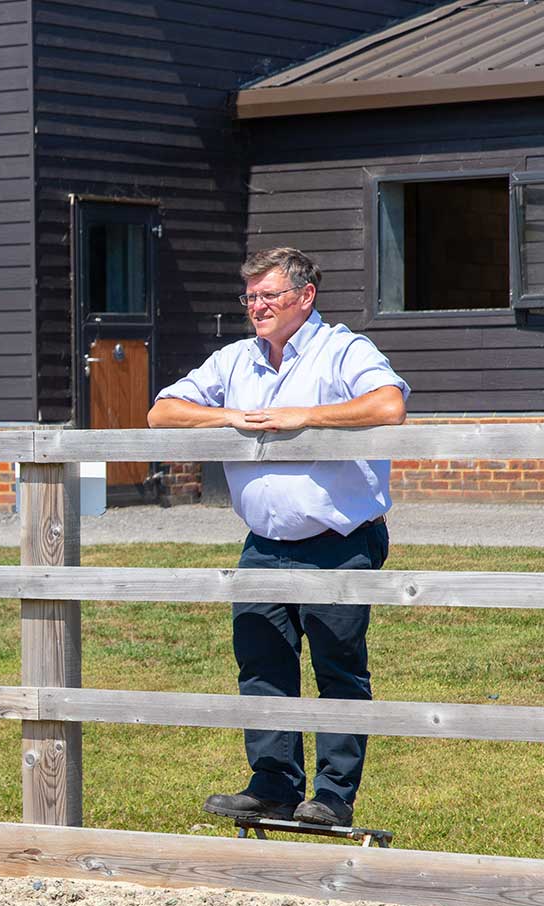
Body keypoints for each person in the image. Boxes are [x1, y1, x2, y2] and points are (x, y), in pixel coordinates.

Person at [146, 247, 409, 828]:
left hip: (340, 539)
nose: (257, 307)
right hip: (264, 541)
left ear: (305, 296)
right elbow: (162, 412)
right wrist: (227, 416)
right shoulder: (236, 360)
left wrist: (305, 415)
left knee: (338, 668)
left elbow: (388, 405)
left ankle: (333, 797)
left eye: (269, 296)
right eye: (250, 297)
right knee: (261, 663)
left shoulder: (343, 349)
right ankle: (273, 786)